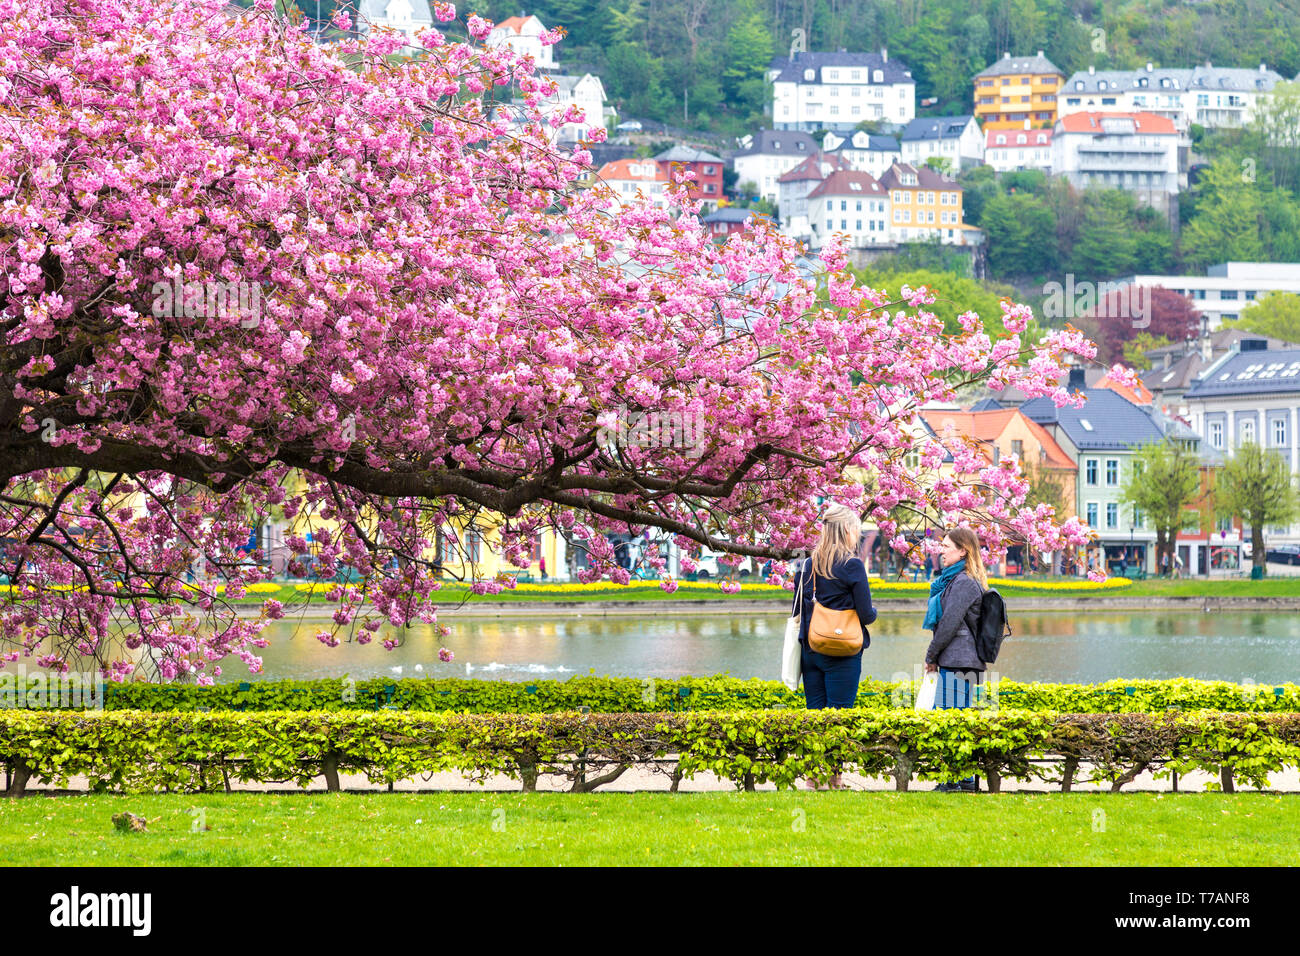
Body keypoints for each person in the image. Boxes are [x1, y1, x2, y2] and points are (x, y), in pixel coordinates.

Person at [791, 503, 877, 790]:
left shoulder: (806, 566)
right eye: (857, 530)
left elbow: (797, 611)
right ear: (848, 531)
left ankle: (812, 778)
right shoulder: (852, 566)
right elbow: (866, 615)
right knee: (838, 717)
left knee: (815, 715)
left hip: (811, 651)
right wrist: (873, 613)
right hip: (842, 653)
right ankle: (834, 778)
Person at [923, 528, 989, 793]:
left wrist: (931, 656)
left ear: (963, 551)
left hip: (959, 659)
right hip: (961, 659)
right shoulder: (955, 580)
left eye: (947, 546)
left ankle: (953, 780)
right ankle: (963, 778)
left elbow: (949, 624)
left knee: (950, 719)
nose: (942, 550)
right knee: (957, 719)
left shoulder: (963, 582)